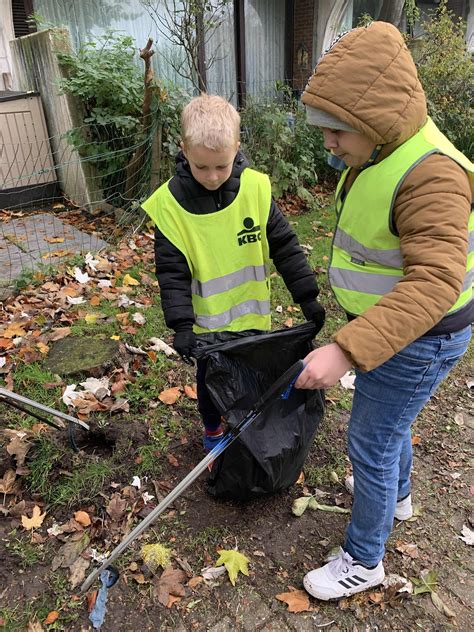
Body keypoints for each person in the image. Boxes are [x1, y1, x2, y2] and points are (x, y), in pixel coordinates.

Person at [294, 21, 473, 601]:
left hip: (421, 336)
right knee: (390, 426)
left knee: (370, 440)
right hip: (396, 332)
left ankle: (364, 558)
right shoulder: (387, 149)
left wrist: (345, 350)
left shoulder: (434, 175)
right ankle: (397, 497)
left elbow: (435, 281)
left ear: (373, 122)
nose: (330, 146)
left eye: (337, 134)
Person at [142, 94, 325, 452]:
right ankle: (213, 433)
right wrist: (181, 327)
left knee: (255, 382)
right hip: (207, 329)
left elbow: (285, 246)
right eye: (201, 167)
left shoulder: (255, 189)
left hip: (254, 319)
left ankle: (248, 431)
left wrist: (308, 298)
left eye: (221, 167)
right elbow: (172, 272)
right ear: (184, 150)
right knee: (212, 386)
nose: (212, 177)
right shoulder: (170, 206)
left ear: (237, 148)